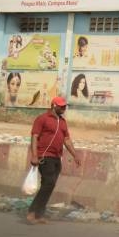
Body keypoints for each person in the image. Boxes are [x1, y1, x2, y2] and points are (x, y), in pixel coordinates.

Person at [27, 96, 81, 224]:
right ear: (54, 106)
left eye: (65, 106)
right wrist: (34, 155)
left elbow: (66, 140)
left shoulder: (62, 122)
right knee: (49, 183)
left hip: (57, 158)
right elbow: (34, 137)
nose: (64, 108)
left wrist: (75, 155)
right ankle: (32, 212)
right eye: (61, 106)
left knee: (49, 185)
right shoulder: (42, 119)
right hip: (45, 156)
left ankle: (39, 215)